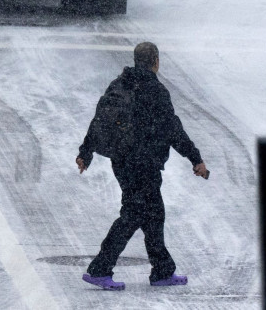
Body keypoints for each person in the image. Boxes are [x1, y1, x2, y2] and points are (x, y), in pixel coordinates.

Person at [76, 41, 210, 291]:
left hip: (122, 161)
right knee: (134, 213)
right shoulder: (155, 91)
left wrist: (86, 151)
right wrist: (196, 158)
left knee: (154, 213)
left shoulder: (120, 84)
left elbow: (100, 120)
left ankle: (162, 270)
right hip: (144, 163)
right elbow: (174, 130)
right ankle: (100, 268)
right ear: (156, 61)